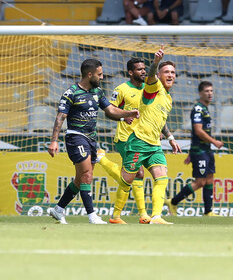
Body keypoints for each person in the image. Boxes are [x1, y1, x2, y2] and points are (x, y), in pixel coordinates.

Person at [93, 45, 182, 225]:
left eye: (173, 72)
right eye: (166, 72)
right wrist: (155, 62)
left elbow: (159, 120)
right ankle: (116, 216)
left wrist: (171, 138)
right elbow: (150, 77)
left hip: (154, 144)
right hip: (138, 141)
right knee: (128, 180)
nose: (171, 75)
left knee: (162, 178)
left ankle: (155, 216)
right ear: (158, 75)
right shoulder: (153, 87)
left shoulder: (168, 97)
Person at [47, 59, 140, 224]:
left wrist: (127, 114)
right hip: (76, 137)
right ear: (89, 74)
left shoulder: (97, 91)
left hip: (91, 138)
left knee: (80, 179)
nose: (102, 77)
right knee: (87, 174)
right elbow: (61, 116)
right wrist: (54, 141)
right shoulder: (72, 92)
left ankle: (58, 209)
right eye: (100, 74)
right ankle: (92, 215)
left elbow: (110, 110)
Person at [96, 58, 151, 224]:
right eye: (139, 69)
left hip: (143, 138)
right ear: (130, 72)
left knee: (130, 176)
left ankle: (117, 216)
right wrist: (122, 118)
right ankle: (142, 214)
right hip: (125, 138)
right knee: (137, 172)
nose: (143, 71)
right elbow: (109, 112)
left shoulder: (149, 89)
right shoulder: (121, 89)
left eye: (144, 69)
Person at [165, 81, 224, 217]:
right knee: (200, 182)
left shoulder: (205, 108)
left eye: (211, 91)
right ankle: (173, 202)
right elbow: (197, 131)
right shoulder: (198, 109)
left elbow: (195, 134)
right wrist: (214, 141)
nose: (210, 93)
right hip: (200, 151)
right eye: (206, 91)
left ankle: (208, 211)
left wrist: (190, 153)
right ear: (200, 93)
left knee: (209, 179)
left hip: (206, 150)